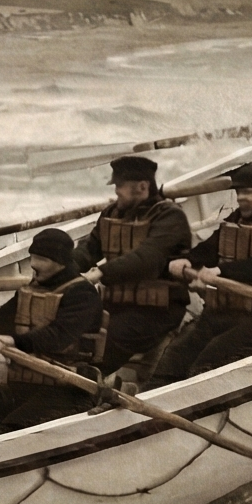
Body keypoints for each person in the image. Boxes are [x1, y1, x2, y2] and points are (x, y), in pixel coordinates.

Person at [142, 165, 252, 386]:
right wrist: (189, 260)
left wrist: (221, 271)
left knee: (208, 359)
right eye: (238, 192)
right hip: (226, 311)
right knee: (176, 353)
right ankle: (149, 408)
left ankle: (193, 410)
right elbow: (212, 247)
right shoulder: (239, 218)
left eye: (248, 192)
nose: (241, 198)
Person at [0, 229, 106, 442]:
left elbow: (58, 336)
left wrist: (11, 340)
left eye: (41, 259)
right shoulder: (34, 286)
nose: (33, 264)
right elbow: (5, 314)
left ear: (60, 262)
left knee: (8, 435)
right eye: (33, 256)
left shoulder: (82, 294)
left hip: (68, 388)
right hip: (24, 382)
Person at [74, 154, 192, 374]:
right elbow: (90, 249)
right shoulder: (112, 213)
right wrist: (61, 266)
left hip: (157, 311)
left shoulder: (170, 218)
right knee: (72, 332)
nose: (116, 191)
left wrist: (100, 272)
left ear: (142, 186)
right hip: (115, 304)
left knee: (103, 346)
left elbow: (147, 259)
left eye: (120, 185)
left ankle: (88, 390)